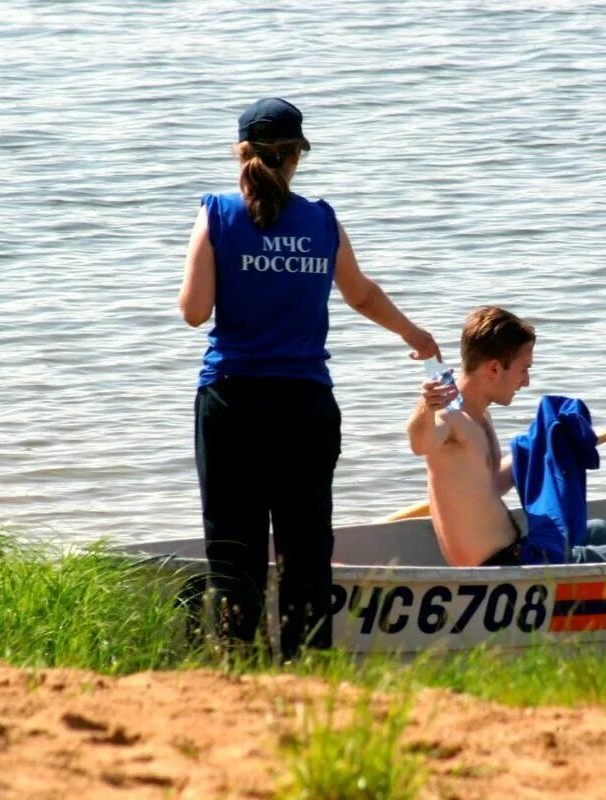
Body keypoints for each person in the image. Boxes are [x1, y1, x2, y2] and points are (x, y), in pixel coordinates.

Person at [179, 97, 439, 658]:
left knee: (235, 544)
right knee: (305, 547)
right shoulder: (321, 220)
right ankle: (304, 669)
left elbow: (194, 311)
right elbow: (361, 293)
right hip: (305, 407)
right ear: (298, 155)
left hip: (232, 402)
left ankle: (236, 667)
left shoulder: (218, 214)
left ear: (241, 154)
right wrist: (413, 334)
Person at [406, 306, 606, 566]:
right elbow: (420, 444)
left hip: (516, 555)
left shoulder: (479, 416)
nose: (526, 381)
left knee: (598, 530)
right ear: (495, 369)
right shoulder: (449, 418)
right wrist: (426, 404)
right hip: (505, 571)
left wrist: (548, 446)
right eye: (523, 369)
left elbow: (488, 485)